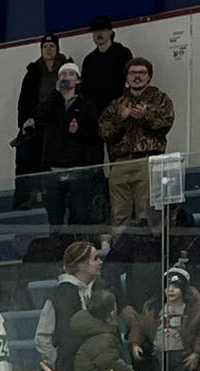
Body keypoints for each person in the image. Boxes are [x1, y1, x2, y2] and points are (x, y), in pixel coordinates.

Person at [99, 58, 175, 234]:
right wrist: (121, 120)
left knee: (147, 214)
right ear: (127, 77)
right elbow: (105, 132)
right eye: (133, 73)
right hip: (120, 163)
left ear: (149, 77)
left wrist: (145, 116)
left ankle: (148, 256)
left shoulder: (160, 98)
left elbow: (166, 124)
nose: (137, 77)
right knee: (119, 216)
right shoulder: (117, 104)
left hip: (148, 161)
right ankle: (120, 256)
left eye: (142, 73)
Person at [39, 64, 105, 231]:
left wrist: (78, 131)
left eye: (70, 74)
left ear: (78, 80)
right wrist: (55, 93)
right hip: (54, 167)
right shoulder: (52, 102)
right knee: (55, 218)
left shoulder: (86, 105)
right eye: (63, 74)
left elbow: (95, 136)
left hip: (78, 167)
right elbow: (40, 118)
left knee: (79, 214)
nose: (66, 77)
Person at [129, 264, 200, 371]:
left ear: (184, 289)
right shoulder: (153, 309)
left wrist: (197, 353)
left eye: (176, 287)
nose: (170, 290)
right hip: (158, 357)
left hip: (183, 357)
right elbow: (141, 326)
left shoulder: (196, 311)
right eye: (167, 287)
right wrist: (135, 343)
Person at [15, 34, 73, 209]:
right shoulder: (33, 71)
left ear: (57, 48)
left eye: (51, 46)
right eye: (45, 46)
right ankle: (27, 198)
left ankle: (52, 197)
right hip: (35, 123)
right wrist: (25, 122)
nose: (48, 49)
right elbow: (23, 100)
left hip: (58, 122)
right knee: (27, 157)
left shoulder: (67, 69)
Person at [35, 241, 103, 371]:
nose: (100, 262)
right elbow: (42, 337)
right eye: (95, 258)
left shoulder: (98, 291)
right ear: (81, 264)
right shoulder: (59, 294)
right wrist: (58, 364)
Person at [77, 15, 134, 126]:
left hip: (117, 112)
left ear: (110, 32)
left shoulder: (123, 53)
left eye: (102, 30)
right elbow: (84, 90)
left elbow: (130, 82)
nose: (99, 34)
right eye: (95, 31)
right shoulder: (89, 60)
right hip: (94, 116)